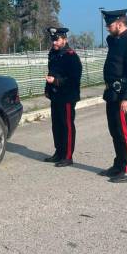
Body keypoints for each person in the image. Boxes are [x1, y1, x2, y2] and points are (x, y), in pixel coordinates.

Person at [99, 9, 127, 183]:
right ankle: (119, 164)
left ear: (120, 23)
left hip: (124, 96)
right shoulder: (115, 41)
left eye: (109, 25)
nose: (107, 28)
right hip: (112, 93)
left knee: (125, 132)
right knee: (115, 131)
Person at [43, 27, 83, 167]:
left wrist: (56, 82)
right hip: (55, 95)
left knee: (67, 126)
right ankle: (59, 152)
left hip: (67, 95)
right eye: (52, 39)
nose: (54, 42)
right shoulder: (53, 54)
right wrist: (48, 89)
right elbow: (51, 72)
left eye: (57, 39)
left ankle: (67, 155)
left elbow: (74, 78)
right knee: (57, 125)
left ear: (64, 39)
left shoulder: (70, 56)